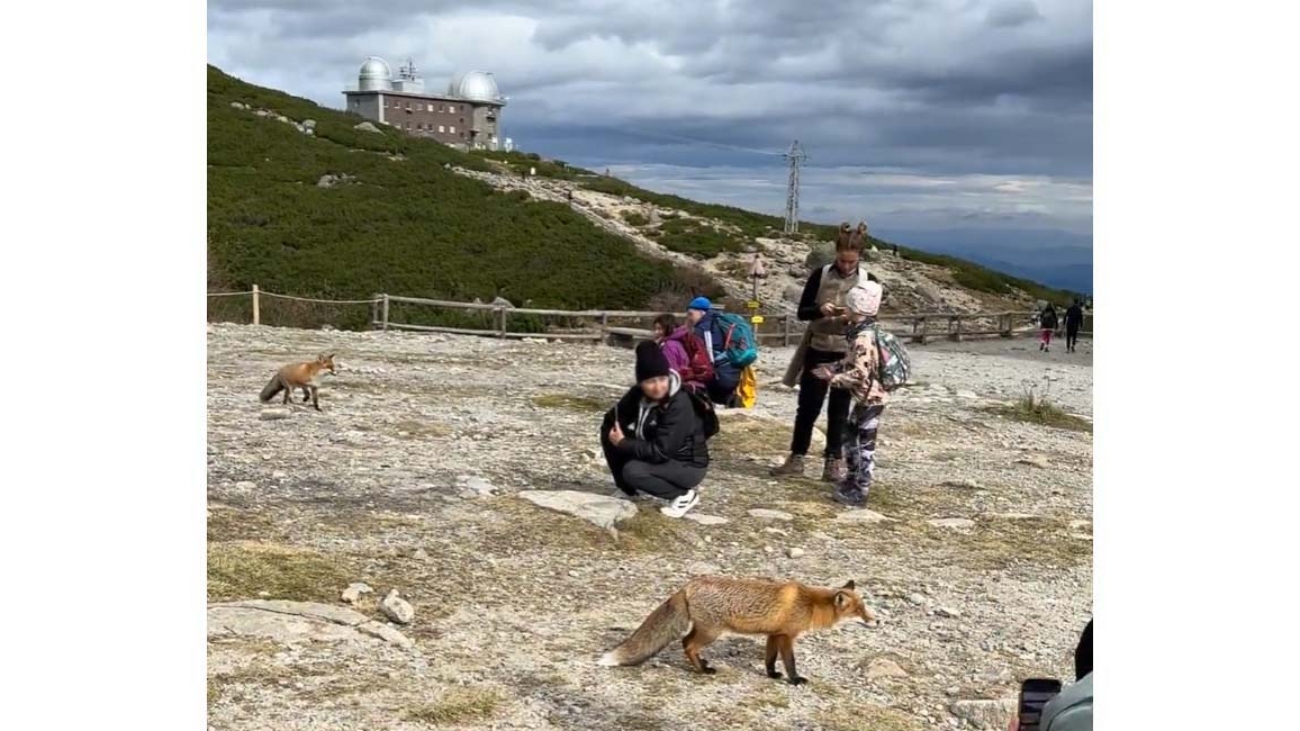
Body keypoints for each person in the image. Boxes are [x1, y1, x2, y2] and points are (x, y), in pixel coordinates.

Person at [772, 222, 874, 482]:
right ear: (836, 255)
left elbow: (872, 318)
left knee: (839, 410)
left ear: (860, 258)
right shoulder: (820, 275)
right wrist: (820, 310)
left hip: (846, 352)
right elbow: (802, 311)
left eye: (852, 262)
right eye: (843, 260)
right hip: (818, 347)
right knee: (808, 406)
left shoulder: (867, 281)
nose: (847, 266)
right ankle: (797, 458)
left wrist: (852, 318)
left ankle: (832, 461)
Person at [600, 341, 711, 518]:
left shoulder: (679, 403)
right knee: (610, 432)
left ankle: (683, 496)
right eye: (650, 381)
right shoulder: (637, 394)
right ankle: (628, 490)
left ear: (668, 376)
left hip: (688, 464)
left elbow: (661, 451)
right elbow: (612, 420)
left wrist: (623, 443)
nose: (658, 387)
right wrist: (615, 436)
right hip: (660, 454)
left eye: (662, 379)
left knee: (633, 471)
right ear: (641, 382)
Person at [813, 281, 887, 507]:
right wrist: (834, 367)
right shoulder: (867, 331)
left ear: (857, 309)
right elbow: (852, 361)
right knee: (850, 435)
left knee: (865, 444)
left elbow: (860, 373)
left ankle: (861, 489)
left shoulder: (861, 337)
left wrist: (832, 378)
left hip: (870, 397)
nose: (844, 310)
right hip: (868, 396)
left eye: (848, 306)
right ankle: (852, 480)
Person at [685, 297, 742, 407]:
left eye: (691, 314)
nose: (689, 317)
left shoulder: (703, 329)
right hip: (731, 369)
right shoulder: (717, 321)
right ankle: (729, 401)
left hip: (718, 372)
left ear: (701, 312)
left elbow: (701, 352)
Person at [652, 314, 713, 395]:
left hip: (683, 388)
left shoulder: (669, 346)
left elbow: (672, 372)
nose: (656, 332)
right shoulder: (682, 340)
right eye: (655, 329)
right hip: (696, 386)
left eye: (660, 329)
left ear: (668, 328)